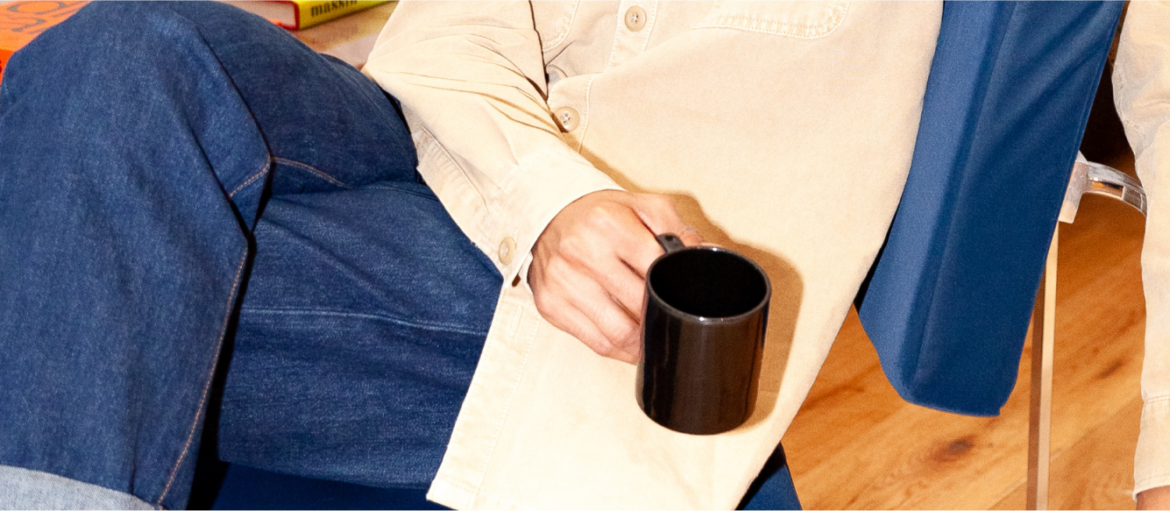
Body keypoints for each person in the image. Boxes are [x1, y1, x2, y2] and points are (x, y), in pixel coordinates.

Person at [0, 1, 1165, 511]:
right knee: (113, 55)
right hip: (456, 154)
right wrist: (547, 199)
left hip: (625, 309)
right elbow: (449, 40)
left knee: (64, 219)